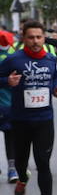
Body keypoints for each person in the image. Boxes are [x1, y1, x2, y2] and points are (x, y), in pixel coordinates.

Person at [0, 20, 57, 195]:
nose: (35, 41)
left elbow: (56, 78)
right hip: (20, 120)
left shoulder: (50, 58)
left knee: (43, 162)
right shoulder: (13, 60)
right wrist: (6, 81)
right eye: (31, 37)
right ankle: (22, 177)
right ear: (23, 38)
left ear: (44, 37)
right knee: (21, 162)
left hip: (44, 120)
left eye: (39, 37)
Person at [0, 40, 16, 183]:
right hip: (7, 103)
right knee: (10, 136)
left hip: (8, 103)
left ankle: (12, 168)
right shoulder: (14, 54)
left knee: (10, 136)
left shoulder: (14, 56)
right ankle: (11, 169)